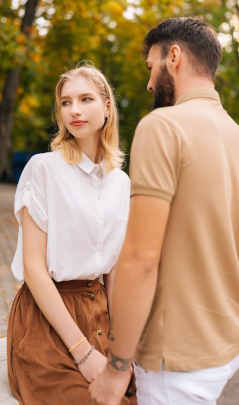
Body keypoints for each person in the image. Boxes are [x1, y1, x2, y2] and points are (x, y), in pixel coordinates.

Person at [89, 17, 239, 405]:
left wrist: (117, 368)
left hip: (178, 356)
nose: (150, 83)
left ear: (174, 56)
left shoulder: (162, 127)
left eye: (151, 67)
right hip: (229, 340)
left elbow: (140, 260)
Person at [7, 64, 136, 405]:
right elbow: (34, 269)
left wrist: (121, 344)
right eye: (65, 102)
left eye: (85, 99)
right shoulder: (43, 169)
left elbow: (114, 271)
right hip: (46, 317)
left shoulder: (120, 183)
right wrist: (81, 351)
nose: (74, 110)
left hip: (101, 313)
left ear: (108, 107)